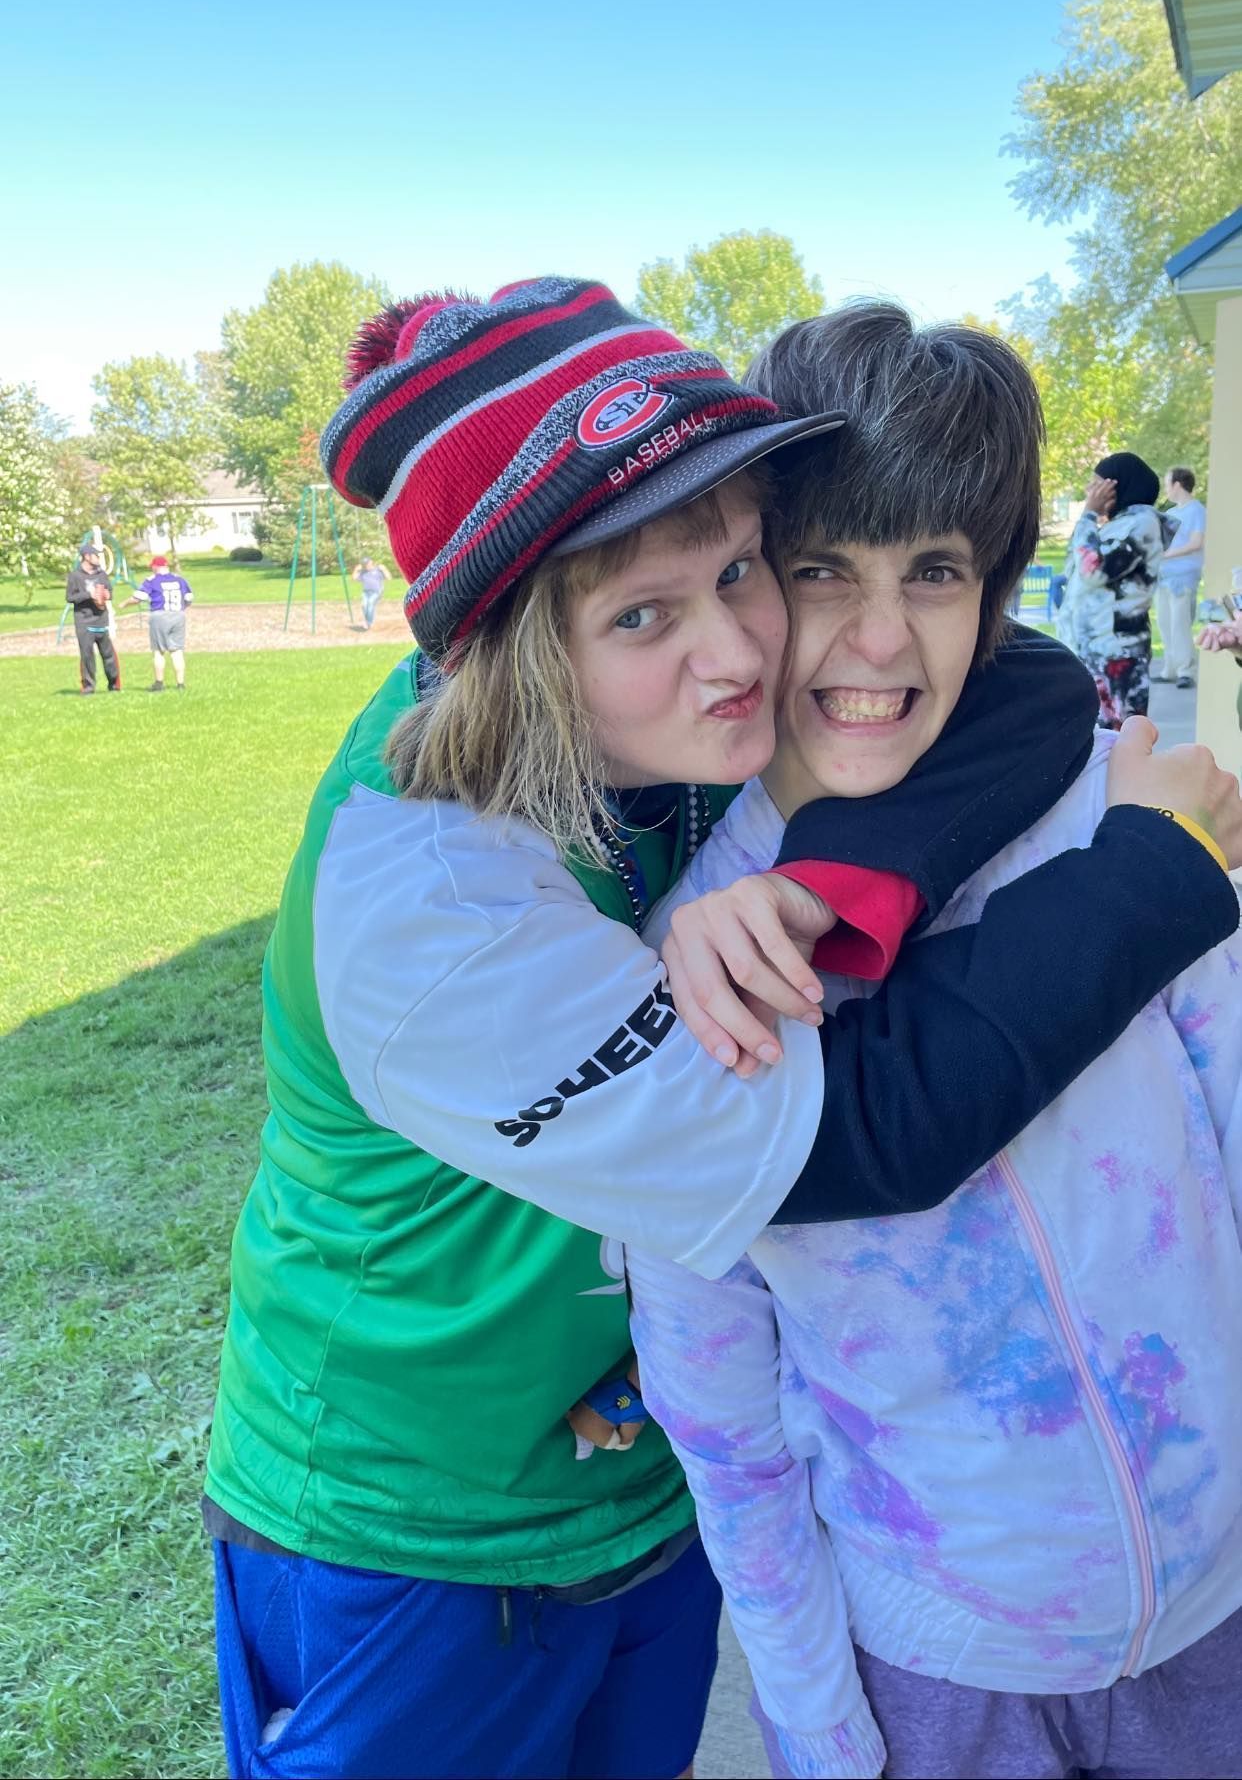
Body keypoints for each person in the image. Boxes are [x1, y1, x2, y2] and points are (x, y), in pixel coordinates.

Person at [203, 280, 1239, 1780]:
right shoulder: (426, 913)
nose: (741, 653)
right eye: (643, 610)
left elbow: (999, 675)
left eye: (743, 570)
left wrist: (839, 872)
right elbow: (865, 1128)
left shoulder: (682, 723)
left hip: (651, 1494)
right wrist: (1153, 869)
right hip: (416, 1513)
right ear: (509, 638)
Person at [626, 304, 1242, 1780]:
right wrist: (819, 1724)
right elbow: (724, 1420)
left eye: (936, 572)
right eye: (822, 568)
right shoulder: (700, 962)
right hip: (936, 1676)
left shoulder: (1136, 820)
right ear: (745, 580)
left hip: (1218, 1621)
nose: (879, 638)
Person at [1058, 452, 1168, 728]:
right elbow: (1075, 560)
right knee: (1093, 739)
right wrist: (1089, 519)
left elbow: (1092, 570)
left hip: (1117, 654)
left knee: (1117, 742)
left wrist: (1088, 514)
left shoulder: (1142, 523)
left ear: (1115, 487)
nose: (1089, 491)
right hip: (1094, 650)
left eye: (1095, 484)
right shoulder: (1115, 526)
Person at [1155, 467, 1207, 690]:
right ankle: (1170, 669)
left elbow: (1196, 543)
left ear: (1177, 484)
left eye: (1168, 483)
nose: (1166, 488)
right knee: (1165, 624)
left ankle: (1186, 671)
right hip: (1164, 576)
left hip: (1183, 578)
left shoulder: (1197, 511)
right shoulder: (1173, 513)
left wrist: (1165, 555)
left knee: (1180, 625)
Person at [122, 553, 193, 690]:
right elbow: (189, 598)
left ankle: (159, 683)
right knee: (177, 650)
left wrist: (125, 604)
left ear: (155, 567)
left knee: (159, 651)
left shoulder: (152, 580)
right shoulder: (179, 580)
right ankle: (180, 684)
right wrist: (181, 608)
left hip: (159, 615)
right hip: (178, 615)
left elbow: (138, 597)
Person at [65, 542, 120, 693]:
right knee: (87, 655)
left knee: (108, 655)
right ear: (86, 557)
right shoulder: (75, 576)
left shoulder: (101, 574)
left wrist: (107, 595)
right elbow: (70, 597)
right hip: (84, 621)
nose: (98, 558)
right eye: (96, 555)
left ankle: (114, 684)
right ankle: (89, 686)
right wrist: (89, 595)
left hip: (101, 619)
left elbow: (110, 591)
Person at [352, 553, 388, 628]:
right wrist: (356, 570)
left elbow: (388, 577)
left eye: (367, 563)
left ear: (371, 562)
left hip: (376, 592)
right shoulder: (363, 572)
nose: (366, 566)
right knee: (364, 606)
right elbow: (354, 578)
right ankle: (367, 621)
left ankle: (368, 622)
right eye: (364, 564)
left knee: (370, 605)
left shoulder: (378, 570)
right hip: (366, 592)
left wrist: (384, 569)